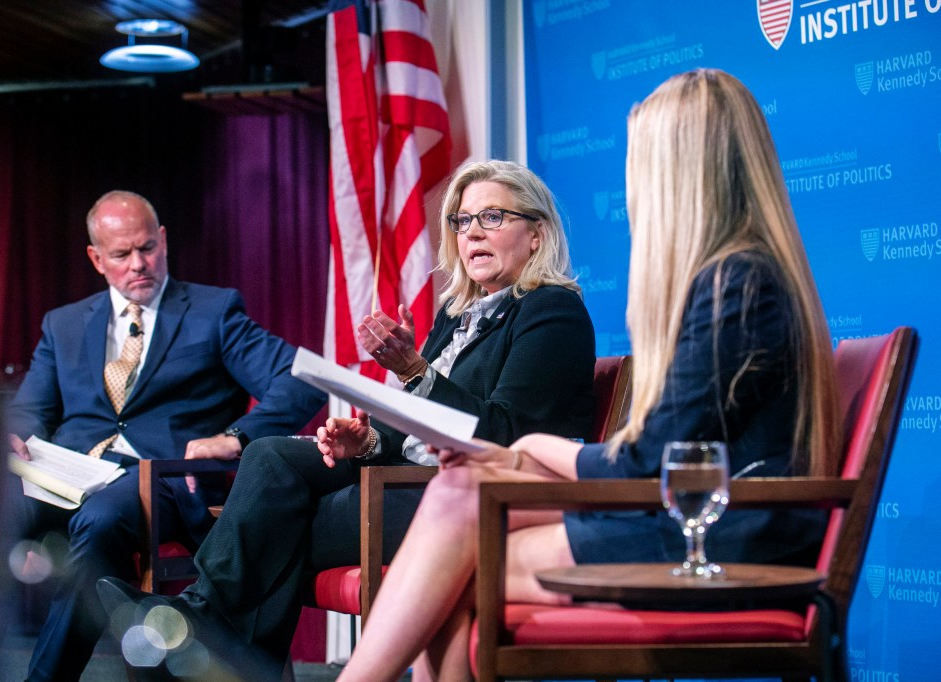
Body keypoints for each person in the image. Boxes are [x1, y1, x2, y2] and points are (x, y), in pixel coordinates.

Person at [334, 68, 843, 682]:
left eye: (642, 162)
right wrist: (513, 462)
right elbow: (659, 453)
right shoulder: (737, 275)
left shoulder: (735, 284)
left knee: (458, 565)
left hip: (726, 532)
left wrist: (528, 450)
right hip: (691, 513)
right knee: (459, 493)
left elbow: (649, 460)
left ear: (679, 171)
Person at [98, 160, 597, 677]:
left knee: (271, 527)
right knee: (270, 456)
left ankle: (197, 628)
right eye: (461, 221)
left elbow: (503, 435)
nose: (471, 232)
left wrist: (414, 371)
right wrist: (369, 443)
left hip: (466, 496)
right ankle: (207, 632)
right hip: (408, 475)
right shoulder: (457, 315)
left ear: (536, 234)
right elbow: (417, 424)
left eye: (491, 217)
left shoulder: (551, 311)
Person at [5, 190, 327, 681]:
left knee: (100, 522)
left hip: (159, 482)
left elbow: (301, 379)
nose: (139, 263)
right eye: (121, 254)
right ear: (96, 258)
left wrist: (236, 436)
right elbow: (30, 410)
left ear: (164, 240)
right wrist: (14, 435)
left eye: (147, 248)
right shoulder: (65, 324)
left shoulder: (212, 312)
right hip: (67, 474)